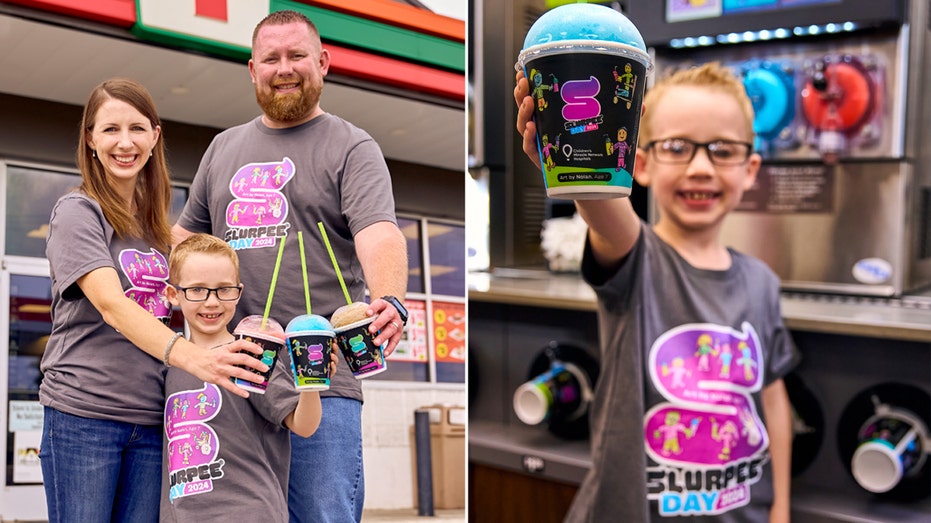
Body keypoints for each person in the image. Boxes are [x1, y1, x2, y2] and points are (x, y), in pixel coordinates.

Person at [515, 62, 799, 522]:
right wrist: (576, 157)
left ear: (750, 169)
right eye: (677, 147)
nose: (701, 167)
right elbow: (604, 208)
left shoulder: (762, 282)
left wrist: (782, 507)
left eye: (722, 150)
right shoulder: (637, 256)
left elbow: (772, 397)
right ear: (640, 164)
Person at [171, 10, 408, 523]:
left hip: (318, 377)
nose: (285, 68)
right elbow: (184, 244)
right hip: (233, 376)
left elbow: (378, 232)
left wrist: (389, 296)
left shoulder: (351, 146)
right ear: (251, 69)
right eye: (271, 58)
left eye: (297, 55)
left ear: (322, 63)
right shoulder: (222, 148)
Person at [40, 78, 268, 523]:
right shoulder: (78, 212)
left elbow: (202, 300)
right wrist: (191, 358)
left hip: (151, 419)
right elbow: (111, 304)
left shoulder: (160, 232)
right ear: (90, 139)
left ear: (154, 137)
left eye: (137, 128)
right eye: (109, 130)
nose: (124, 142)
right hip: (85, 414)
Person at [160, 233, 332, 521]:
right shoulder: (169, 363)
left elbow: (304, 425)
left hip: (250, 513)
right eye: (198, 290)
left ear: (238, 292)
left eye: (223, 289)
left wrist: (310, 383)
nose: (212, 302)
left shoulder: (251, 355)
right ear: (173, 294)